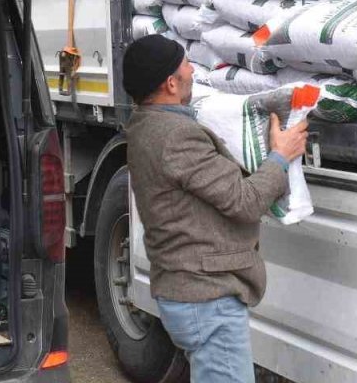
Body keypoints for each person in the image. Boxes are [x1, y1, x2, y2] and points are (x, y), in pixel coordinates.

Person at [122, 34, 307, 382]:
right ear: (171, 83)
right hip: (206, 299)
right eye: (186, 65)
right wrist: (280, 156)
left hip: (191, 293)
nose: (193, 71)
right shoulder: (176, 135)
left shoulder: (146, 126)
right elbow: (246, 201)